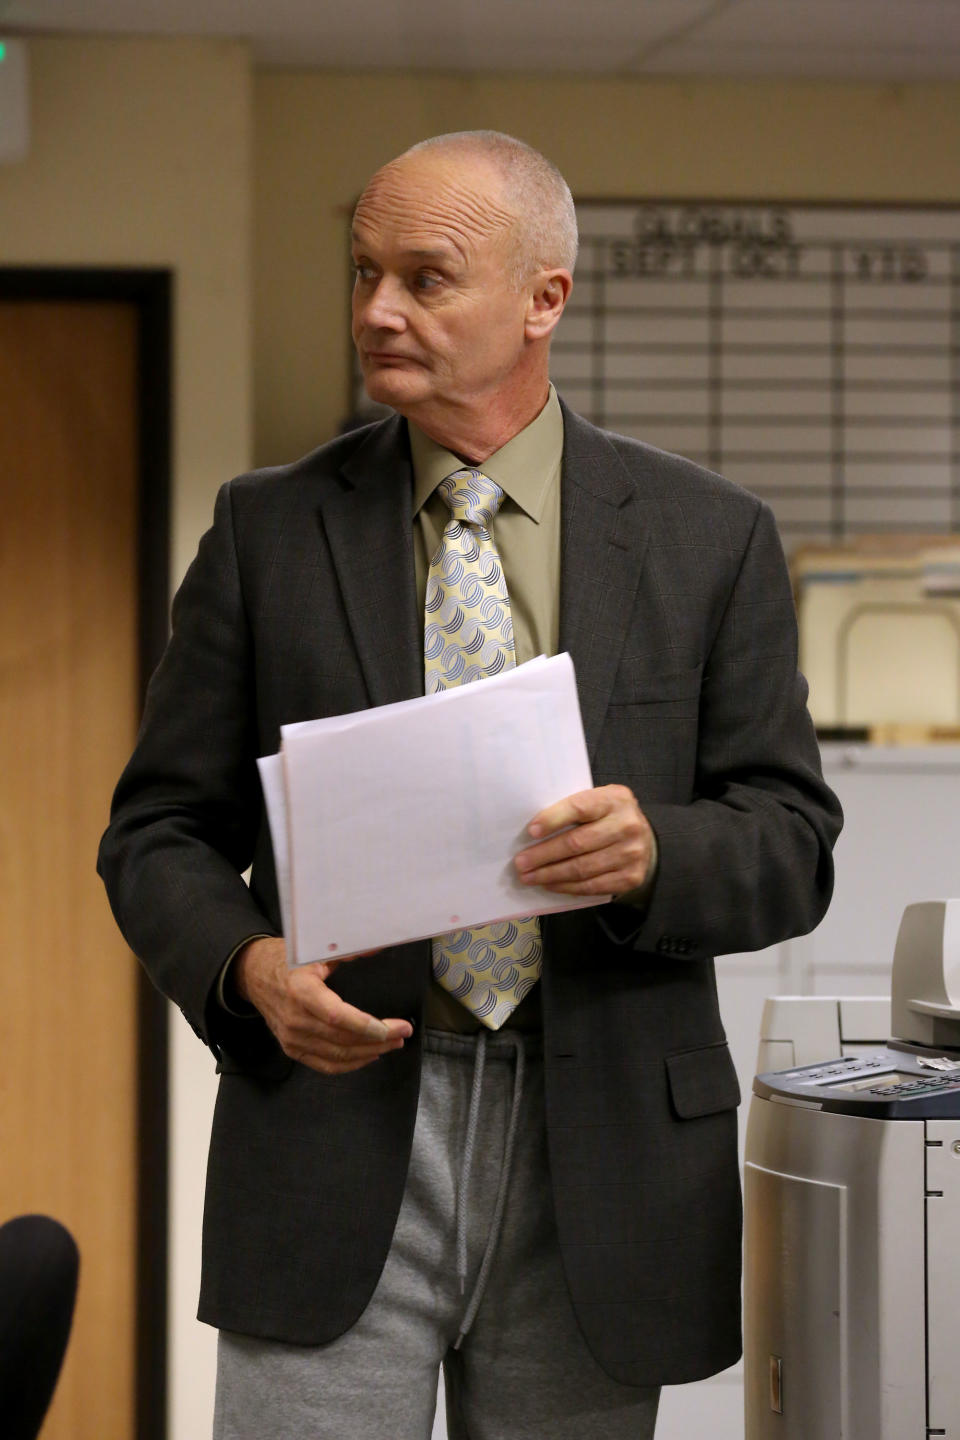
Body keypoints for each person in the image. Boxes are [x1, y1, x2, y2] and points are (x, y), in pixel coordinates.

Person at [98, 131, 842, 1439]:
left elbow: (789, 842)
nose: (378, 311)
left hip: (603, 1155)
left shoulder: (707, 539)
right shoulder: (268, 532)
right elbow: (159, 833)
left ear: (543, 298)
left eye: (426, 278)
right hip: (331, 1133)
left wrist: (653, 854)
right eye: (364, 272)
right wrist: (249, 969)